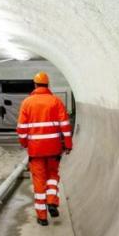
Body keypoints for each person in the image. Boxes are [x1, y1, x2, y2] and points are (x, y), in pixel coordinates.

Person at [17, 71, 73, 226]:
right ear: (48, 85)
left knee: (39, 181)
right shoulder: (56, 101)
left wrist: (24, 143)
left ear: (35, 85)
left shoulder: (27, 103)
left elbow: (21, 128)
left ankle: (42, 217)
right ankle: (52, 202)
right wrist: (68, 145)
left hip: (36, 150)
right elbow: (65, 127)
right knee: (53, 175)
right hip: (54, 149)